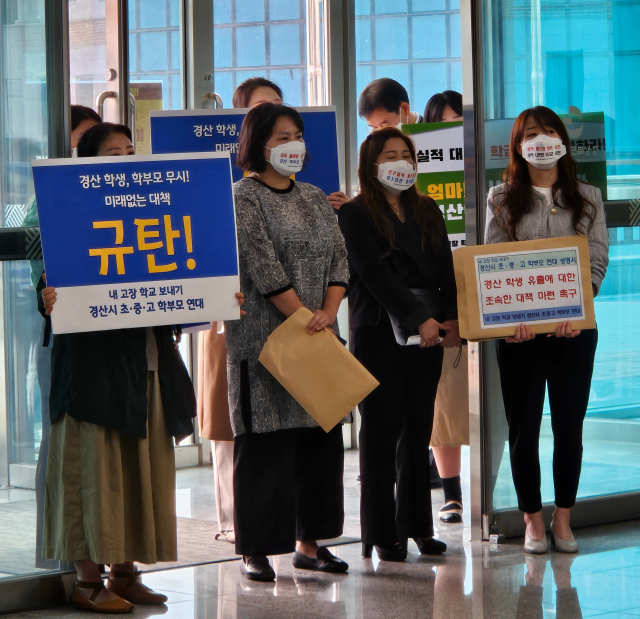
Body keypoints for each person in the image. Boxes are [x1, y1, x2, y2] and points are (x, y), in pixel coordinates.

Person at [41, 122, 245, 613]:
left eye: (131, 151)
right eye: (114, 152)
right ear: (86, 163)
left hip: (149, 366)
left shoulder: (161, 211)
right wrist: (48, 296)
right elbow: (49, 283)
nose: (126, 158)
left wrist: (216, 296)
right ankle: (86, 578)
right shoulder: (64, 214)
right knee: (93, 471)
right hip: (93, 375)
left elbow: (182, 285)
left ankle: (125, 572)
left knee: (138, 470)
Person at [227, 103, 349, 582]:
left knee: (318, 443)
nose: (292, 145)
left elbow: (340, 258)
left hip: (319, 336)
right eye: (281, 137)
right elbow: (262, 268)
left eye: (296, 135)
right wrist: (303, 317)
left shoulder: (316, 197)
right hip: (264, 342)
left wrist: (329, 313)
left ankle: (309, 543)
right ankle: (256, 548)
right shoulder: (243, 197)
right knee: (263, 449)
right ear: (258, 144)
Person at [485, 106, 609, 554]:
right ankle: (532, 518)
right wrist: (507, 319)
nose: (541, 139)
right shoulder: (500, 198)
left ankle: (563, 518)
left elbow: (595, 260)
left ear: (562, 140)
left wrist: (579, 307)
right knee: (523, 427)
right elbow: (493, 265)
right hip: (519, 335)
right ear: (518, 145)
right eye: (531, 133)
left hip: (574, 332)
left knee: (569, 426)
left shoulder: (588, 196)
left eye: (549, 131)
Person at [338, 127, 458, 561]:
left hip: (429, 334)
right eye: (390, 154)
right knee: (380, 433)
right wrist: (418, 318)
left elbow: (445, 264)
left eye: (406, 154)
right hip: (378, 332)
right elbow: (374, 274)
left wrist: (451, 319)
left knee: (417, 430)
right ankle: (381, 532)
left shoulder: (427, 208)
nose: (400, 161)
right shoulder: (354, 213)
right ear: (371, 164)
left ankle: (418, 527)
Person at [198, 78, 285, 546]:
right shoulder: (227, 188)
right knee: (230, 422)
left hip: (288, 322)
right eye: (264, 110)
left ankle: (282, 524)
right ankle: (234, 520)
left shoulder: (303, 187)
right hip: (229, 318)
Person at [23, 104, 101, 570]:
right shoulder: (45, 200)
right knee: (60, 446)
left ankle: (101, 555)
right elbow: (41, 278)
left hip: (110, 342)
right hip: (64, 341)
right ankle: (60, 557)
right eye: (85, 144)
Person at [423, 90, 469, 524]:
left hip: (486, 288)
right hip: (441, 294)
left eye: (458, 122)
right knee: (446, 399)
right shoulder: (419, 178)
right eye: (442, 123)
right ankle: (451, 493)